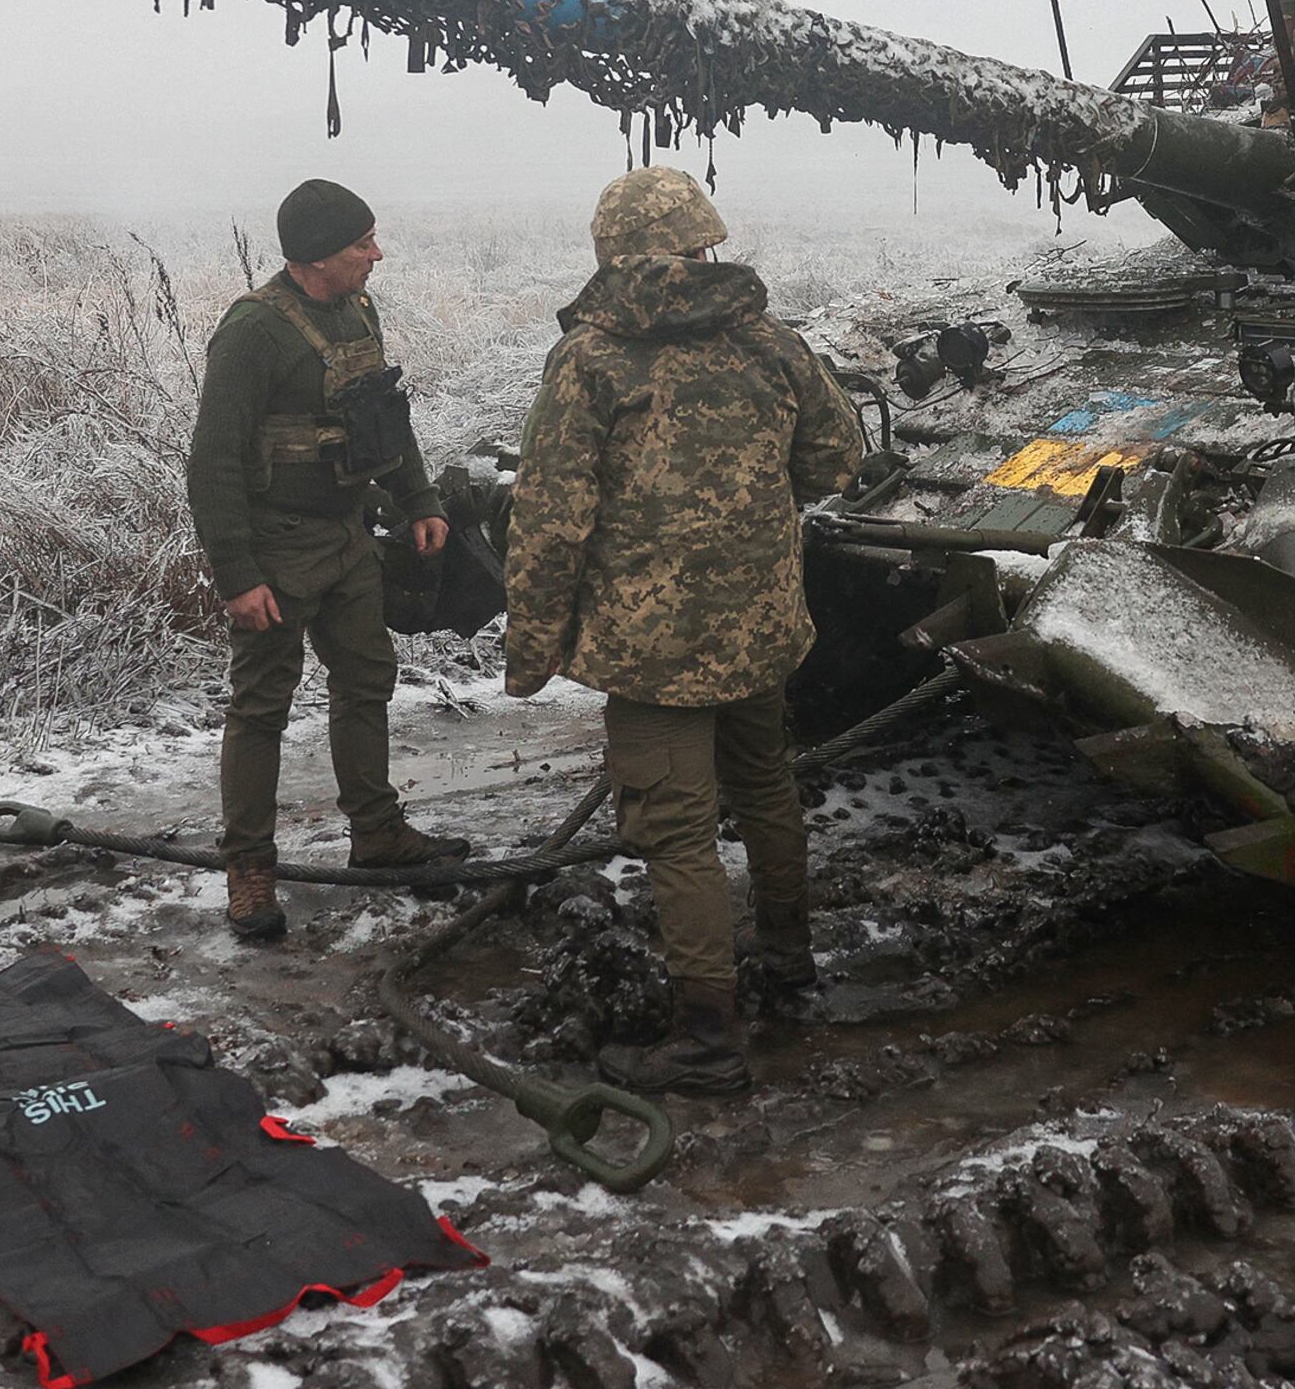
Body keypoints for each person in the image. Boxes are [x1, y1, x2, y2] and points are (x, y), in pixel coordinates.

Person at [501, 168, 868, 1096]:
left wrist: (530, 649)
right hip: (759, 627)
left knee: (677, 834)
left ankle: (707, 1040)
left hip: (652, 654)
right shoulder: (770, 340)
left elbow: (551, 519)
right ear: (707, 242)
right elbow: (837, 458)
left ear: (610, 252)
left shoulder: (591, 358)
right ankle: (789, 970)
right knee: (767, 790)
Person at [186, 178, 468, 946]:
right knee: (261, 708)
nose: (376, 254)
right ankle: (249, 870)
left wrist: (420, 500)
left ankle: (377, 834)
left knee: (367, 681)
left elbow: (383, 417)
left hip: (346, 539)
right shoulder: (252, 333)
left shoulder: (357, 311)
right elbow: (212, 462)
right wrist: (238, 576)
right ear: (316, 257)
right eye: (360, 244)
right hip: (275, 551)